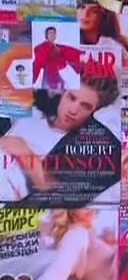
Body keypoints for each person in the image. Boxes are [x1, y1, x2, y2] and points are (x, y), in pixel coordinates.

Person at [0, 77, 120, 206]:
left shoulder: (75, 150)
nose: (73, 110)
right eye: (71, 98)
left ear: (94, 112)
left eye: (85, 106)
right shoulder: (34, 112)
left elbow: (52, 191)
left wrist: (25, 153)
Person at [77, 2, 128, 67]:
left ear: (105, 16)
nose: (85, 14)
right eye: (82, 7)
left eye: (95, 11)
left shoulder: (115, 46)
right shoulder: (71, 40)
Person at [32, 26, 80, 91]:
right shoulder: (41, 48)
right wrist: (32, 79)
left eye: (54, 33)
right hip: (48, 78)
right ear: (46, 35)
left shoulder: (59, 48)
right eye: (50, 33)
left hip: (60, 76)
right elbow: (37, 64)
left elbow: (72, 54)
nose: (52, 35)